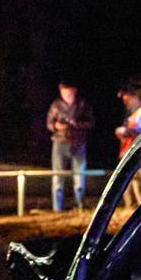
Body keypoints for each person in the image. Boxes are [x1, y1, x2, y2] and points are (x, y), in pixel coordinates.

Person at [47, 80, 95, 212]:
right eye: (63, 91)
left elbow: (90, 123)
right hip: (60, 142)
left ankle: (79, 205)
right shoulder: (56, 105)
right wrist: (56, 126)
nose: (66, 93)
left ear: (74, 91)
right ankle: (57, 207)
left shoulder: (82, 105)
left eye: (68, 90)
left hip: (78, 142)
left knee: (79, 175)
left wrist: (76, 125)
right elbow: (49, 123)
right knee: (58, 175)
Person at [115, 87, 141, 209]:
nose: (126, 102)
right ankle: (130, 206)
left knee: (139, 179)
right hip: (127, 150)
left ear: (135, 98)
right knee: (127, 179)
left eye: (127, 99)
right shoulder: (131, 113)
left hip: (139, 150)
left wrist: (127, 131)